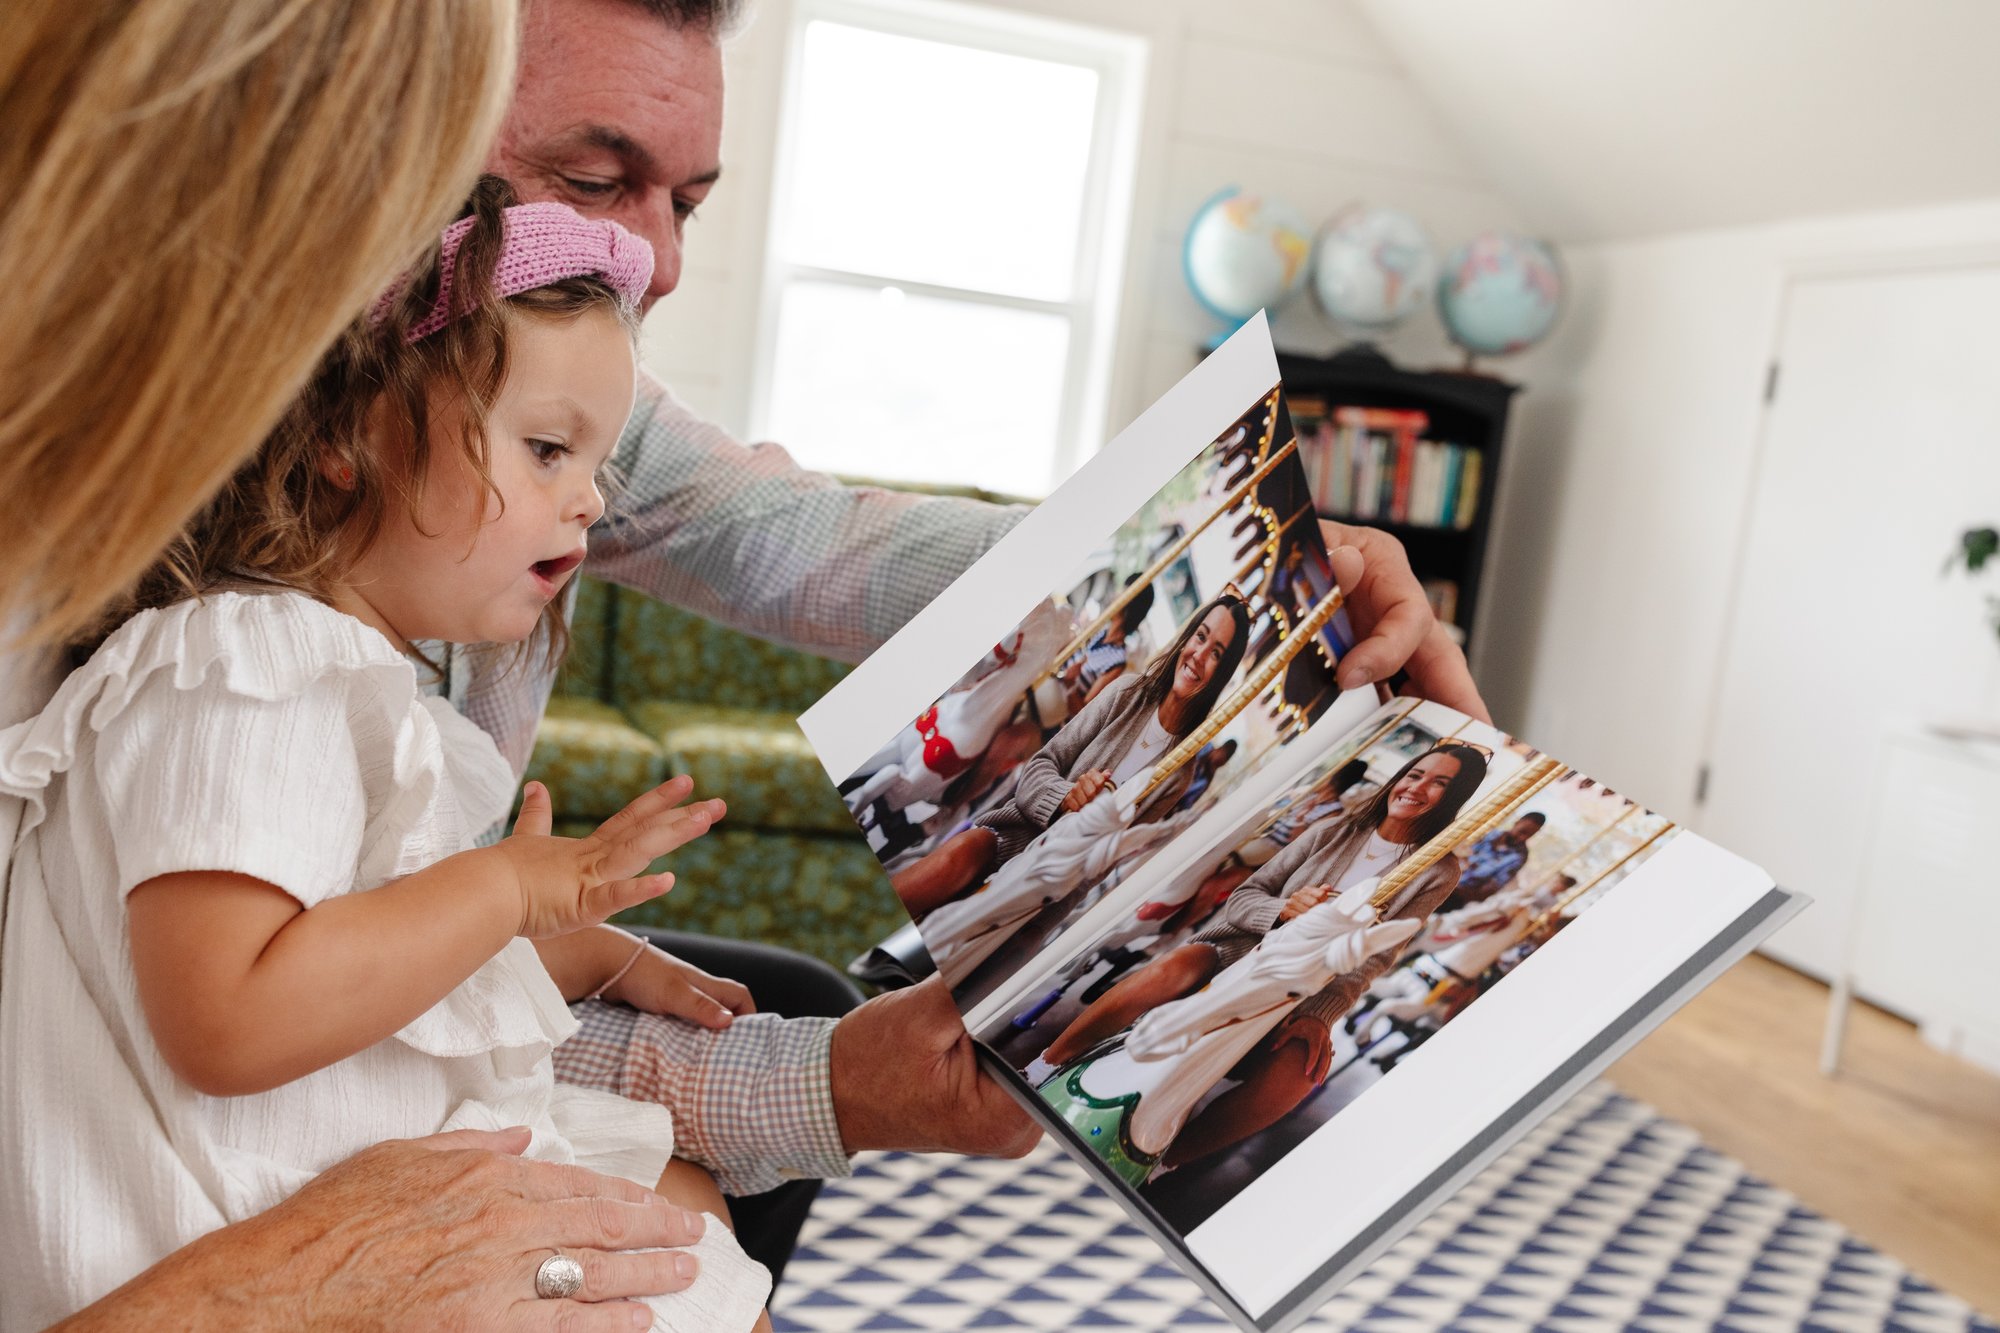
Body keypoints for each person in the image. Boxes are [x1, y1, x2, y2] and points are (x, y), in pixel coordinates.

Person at [3, 0, 1486, 1317]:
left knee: (769, 1032)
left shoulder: (549, 402)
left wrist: (1250, 566)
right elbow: (227, 1023)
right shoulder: (240, 622)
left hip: (364, 1018)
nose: (646, 259)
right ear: (368, 154)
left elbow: (817, 545)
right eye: (590, 182)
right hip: (209, 1094)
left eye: (687, 203)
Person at [0, 184, 771, 1331]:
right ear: (344, 437)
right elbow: (230, 1015)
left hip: (294, 1193)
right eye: (547, 446)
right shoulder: (247, 661)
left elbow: (348, 955)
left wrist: (574, 951)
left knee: (681, 1212)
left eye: (594, 461)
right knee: (684, 1264)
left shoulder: (318, 674)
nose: (590, 496)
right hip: (217, 1236)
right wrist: (498, 887)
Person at [1029, 745, 1489, 1081]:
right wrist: (1283, 909)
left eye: (1439, 784)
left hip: (1305, 982)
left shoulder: (1436, 871)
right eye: (1415, 773)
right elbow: (1248, 897)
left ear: (1453, 800)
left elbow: (1376, 958)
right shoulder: (1333, 826)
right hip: (1242, 946)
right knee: (1172, 968)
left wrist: (1322, 1013)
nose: (1417, 787)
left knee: (1295, 1078)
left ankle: (1166, 1165)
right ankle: (1046, 1061)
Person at [889, 594, 1252, 919]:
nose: (1200, 656)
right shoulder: (1126, 689)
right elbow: (1042, 766)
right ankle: (951, 808)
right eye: (1201, 637)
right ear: (1188, 636)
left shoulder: (1180, 772)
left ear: (1222, 672)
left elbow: (1109, 858)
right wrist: (1065, 796)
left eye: (1217, 653)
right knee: (960, 856)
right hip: (1023, 827)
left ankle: (960, 800)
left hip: (1058, 877)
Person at [1445, 812, 1546, 909]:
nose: (1522, 838)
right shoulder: (1489, 833)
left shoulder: (1519, 857)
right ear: (1517, 822)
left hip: (1458, 896)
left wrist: (1457, 891)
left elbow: (1492, 887)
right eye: (1522, 831)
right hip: (1445, 876)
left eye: (1529, 835)